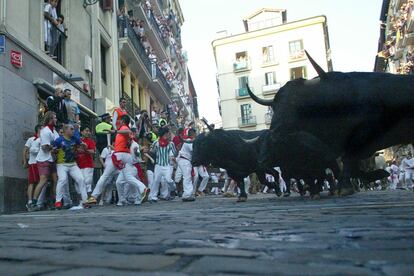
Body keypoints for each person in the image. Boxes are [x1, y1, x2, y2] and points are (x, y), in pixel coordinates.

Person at [54, 124, 89, 209]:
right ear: (66, 130)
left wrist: (84, 146)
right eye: (72, 129)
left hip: (73, 164)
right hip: (62, 164)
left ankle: (85, 201)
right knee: (62, 179)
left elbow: (84, 146)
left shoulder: (75, 139)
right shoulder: (58, 140)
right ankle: (58, 201)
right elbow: (53, 150)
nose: (73, 131)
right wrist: (54, 151)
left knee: (81, 179)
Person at [30, 111, 60, 211]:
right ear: (50, 119)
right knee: (43, 181)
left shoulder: (53, 131)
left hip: (51, 159)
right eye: (54, 118)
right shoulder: (45, 131)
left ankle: (53, 201)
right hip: (44, 159)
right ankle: (33, 203)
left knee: (55, 180)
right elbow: (44, 147)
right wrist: (53, 148)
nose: (56, 119)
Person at [148, 127, 177, 202]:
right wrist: (149, 150)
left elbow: (175, 153)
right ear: (164, 134)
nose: (169, 134)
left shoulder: (171, 144)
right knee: (156, 181)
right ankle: (153, 197)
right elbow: (152, 151)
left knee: (168, 180)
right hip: (158, 165)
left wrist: (173, 157)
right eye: (167, 133)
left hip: (167, 165)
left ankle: (173, 189)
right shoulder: (156, 142)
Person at [23, 125, 42, 209]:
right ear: (38, 129)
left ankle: (38, 202)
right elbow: (25, 150)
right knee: (32, 182)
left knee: (41, 182)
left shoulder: (45, 138)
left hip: (42, 163)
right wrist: (24, 161)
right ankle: (30, 201)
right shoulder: (31, 139)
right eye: (43, 128)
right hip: (33, 163)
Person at [177, 128, 196, 201]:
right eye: (195, 133)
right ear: (192, 134)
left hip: (185, 160)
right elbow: (193, 150)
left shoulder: (190, 141)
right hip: (184, 160)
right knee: (187, 177)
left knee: (188, 177)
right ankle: (187, 195)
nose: (195, 135)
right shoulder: (188, 141)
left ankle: (188, 194)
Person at [76, 126, 96, 196]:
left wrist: (84, 150)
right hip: (78, 165)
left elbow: (93, 152)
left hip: (88, 165)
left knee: (87, 183)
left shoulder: (90, 141)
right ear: (81, 132)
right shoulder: (77, 141)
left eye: (88, 131)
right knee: (79, 182)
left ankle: (88, 200)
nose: (88, 132)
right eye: (86, 131)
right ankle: (81, 200)